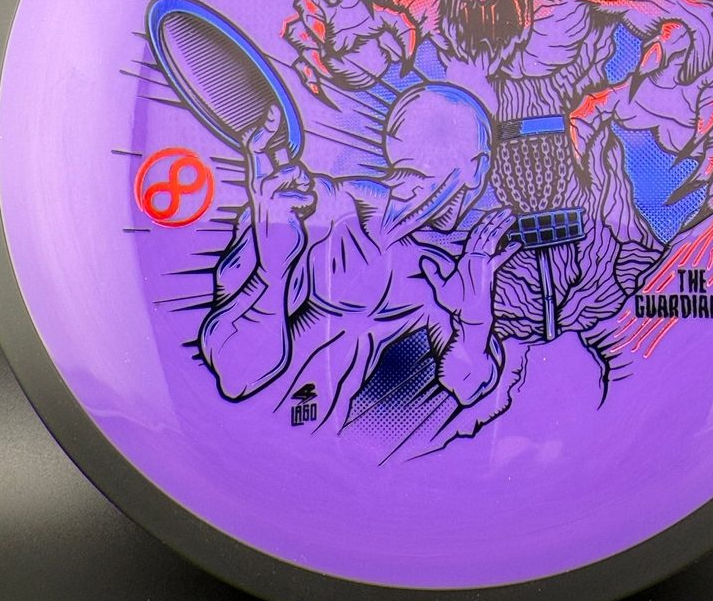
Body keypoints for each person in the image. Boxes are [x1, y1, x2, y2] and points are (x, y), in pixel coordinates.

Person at [197, 83, 519, 435]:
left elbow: (467, 385)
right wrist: (272, 269)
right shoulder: (316, 209)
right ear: (478, 169)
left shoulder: (435, 269)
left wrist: (475, 320)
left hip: (311, 441)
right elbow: (236, 375)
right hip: (246, 435)